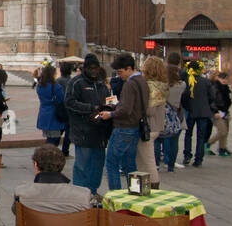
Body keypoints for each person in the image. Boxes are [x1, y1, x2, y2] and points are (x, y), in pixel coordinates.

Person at [13, 145, 96, 226]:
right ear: (62, 166)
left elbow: (16, 212)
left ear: (36, 165)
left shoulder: (23, 193)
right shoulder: (84, 195)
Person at [65, 54, 110, 195]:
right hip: (83, 131)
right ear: (85, 68)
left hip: (99, 131)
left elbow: (107, 101)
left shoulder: (101, 84)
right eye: (90, 68)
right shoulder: (76, 82)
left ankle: (93, 191)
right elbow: (69, 102)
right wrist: (90, 108)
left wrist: (109, 108)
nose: (94, 71)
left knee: (97, 165)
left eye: (96, 68)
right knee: (82, 165)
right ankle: (80, 193)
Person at [104, 54, 147, 193]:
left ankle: (116, 196)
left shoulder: (129, 84)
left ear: (129, 68)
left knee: (111, 163)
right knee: (130, 165)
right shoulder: (142, 80)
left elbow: (125, 109)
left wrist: (110, 113)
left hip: (123, 127)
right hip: (135, 127)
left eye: (120, 72)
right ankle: (135, 193)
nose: (119, 75)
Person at [140, 56, 169, 187]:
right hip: (156, 126)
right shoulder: (162, 85)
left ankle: (153, 185)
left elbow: (150, 111)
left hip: (149, 126)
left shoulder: (151, 86)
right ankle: (147, 184)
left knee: (147, 160)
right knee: (146, 158)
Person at [181, 60, 214, 168]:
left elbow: (184, 98)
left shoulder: (186, 81)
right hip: (203, 112)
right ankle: (199, 159)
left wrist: (186, 107)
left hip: (190, 111)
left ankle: (187, 155)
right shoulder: (206, 81)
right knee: (201, 136)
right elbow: (212, 97)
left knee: (188, 134)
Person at [33, 65, 65, 147]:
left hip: (43, 112)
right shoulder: (56, 86)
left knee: (49, 137)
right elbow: (61, 100)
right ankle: (46, 155)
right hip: (54, 114)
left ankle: (48, 154)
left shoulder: (39, 86)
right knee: (53, 140)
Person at [207, 70, 232, 156]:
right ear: (218, 78)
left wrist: (228, 113)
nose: (224, 81)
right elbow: (212, 101)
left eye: (226, 79)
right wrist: (215, 111)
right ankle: (208, 144)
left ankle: (222, 148)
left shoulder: (226, 88)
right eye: (222, 79)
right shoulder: (215, 87)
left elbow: (226, 102)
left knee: (226, 131)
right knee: (222, 131)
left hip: (224, 112)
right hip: (217, 112)